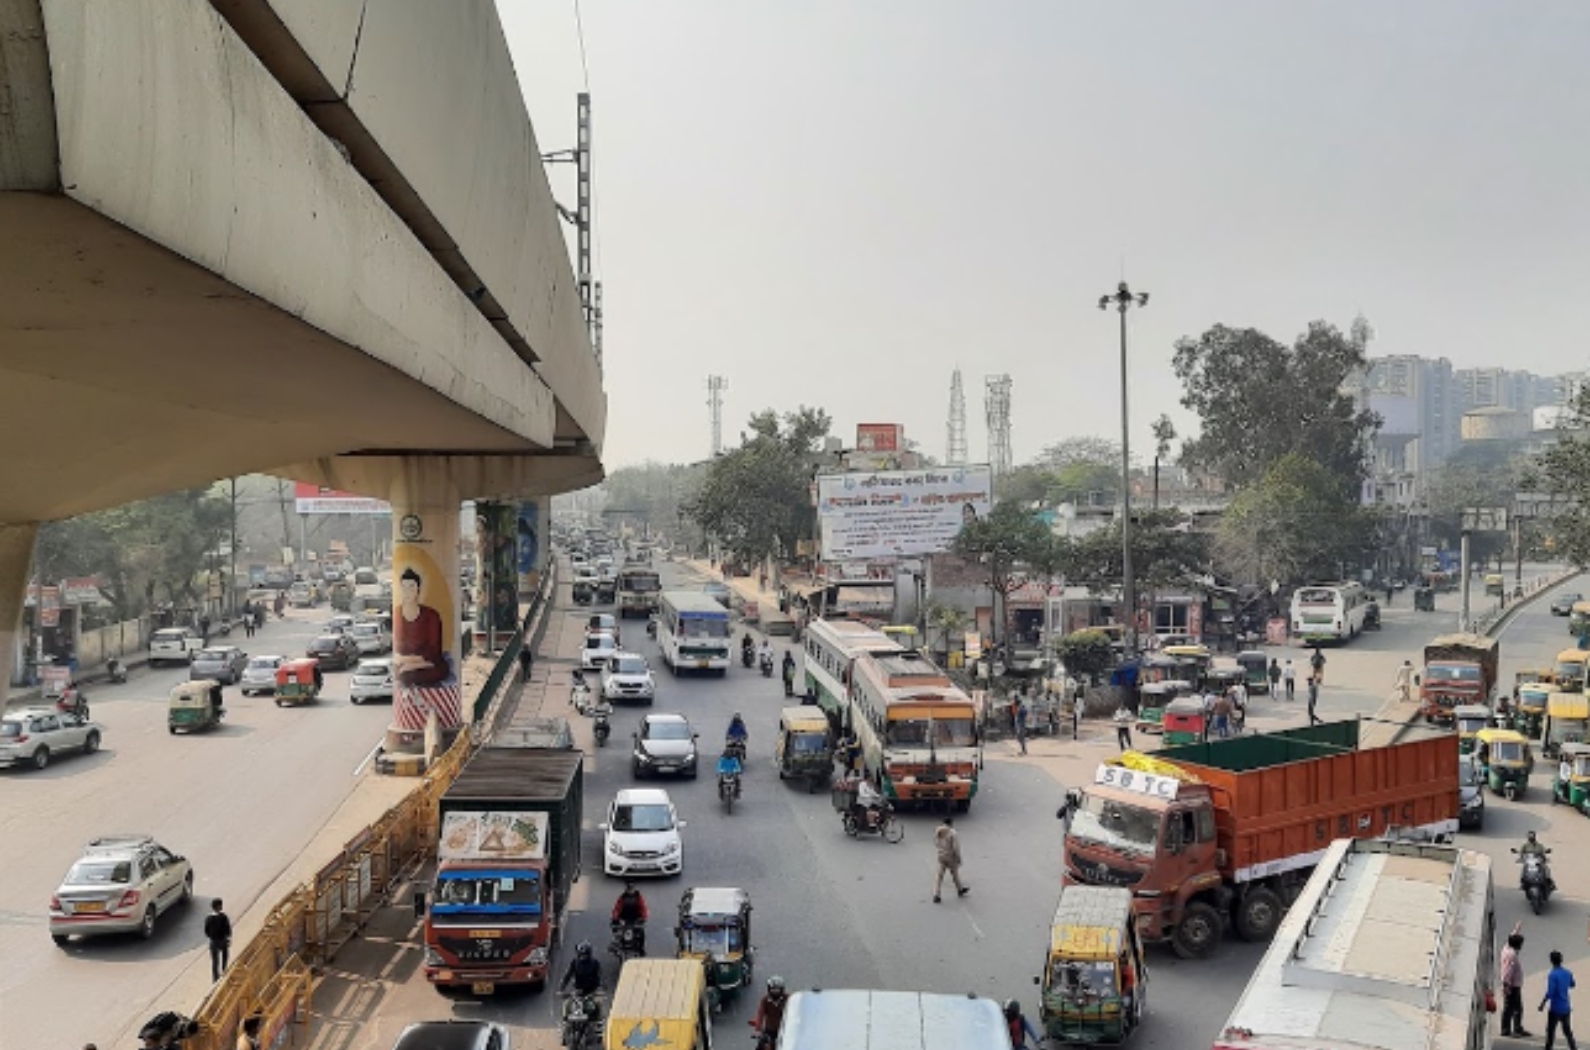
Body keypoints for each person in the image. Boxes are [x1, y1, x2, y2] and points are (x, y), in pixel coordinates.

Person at [393, 568, 447, 687]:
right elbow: (396, 650)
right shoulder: (396, 614)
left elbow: (434, 651)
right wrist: (407, 663)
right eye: (404, 587)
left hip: (431, 666)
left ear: (419, 589)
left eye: (411, 586)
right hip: (407, 667)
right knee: (402, 676)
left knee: (410, 675)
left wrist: (410, 665)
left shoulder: (431, 615)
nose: (407, 591)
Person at [1542, 949, 1578, 1050]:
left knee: (1550, 1031)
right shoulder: (1567, 973)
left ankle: (1548, 1048)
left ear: (1551, 961)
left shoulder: (1552, 975)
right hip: (1565, 1006)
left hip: (1555, 1008)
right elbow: (1572, 984)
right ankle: (1573, 1047)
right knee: (1567, 1030)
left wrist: (1543, 1003)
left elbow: (1550, 992)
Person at [1501, 921, 1530, 1038]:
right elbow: (1507, 972)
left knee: (1514, 1008)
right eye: (1521, 944)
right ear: (1517, 946)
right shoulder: (1511, 955)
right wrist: (1506, 986)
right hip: (1512, 986)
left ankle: (1515, 1028)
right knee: (1511, 1008)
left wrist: (1516, 929)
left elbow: (1511, 938)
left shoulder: (1506, 947)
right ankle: (1508, 1029)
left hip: (1512, 985)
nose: (1521, 946)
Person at [932, 816, 969, 903]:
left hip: (941, 856)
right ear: (951, 823)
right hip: (950, 857)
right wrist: (958, 858)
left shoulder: (938, 831)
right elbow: (956, 847)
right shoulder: (952, 833)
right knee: (955, 874)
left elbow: (936, 843)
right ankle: (960, 889)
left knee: (939, 876)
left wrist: (940, 850)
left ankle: (936, 894)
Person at [610, 882, 649, 956]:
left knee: (641, 933)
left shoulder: (638, 897)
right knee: (617, 933)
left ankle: (641, 949)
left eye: (631, 889)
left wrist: (643, 918)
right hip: (624, 920)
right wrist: (615, 918)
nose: (630, 891)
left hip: (635, 920)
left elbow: (643, 908)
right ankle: (615, 947)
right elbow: (617, 908)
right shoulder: (622, 897)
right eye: (629, 889)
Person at [753, 976, 789, 1048]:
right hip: (770, 1031)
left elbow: (795, 1012)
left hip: (786, 1031)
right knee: (761, 1045)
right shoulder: (765, 1000)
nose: (775, 992)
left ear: (782, 989)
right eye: (773, 989)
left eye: (777, 990)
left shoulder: (788, 999)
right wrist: (758, 1028)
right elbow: (760, 1014)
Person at [204, 899, 232, 981]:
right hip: (222, 940)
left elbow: (206, 931)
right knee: (225, 956)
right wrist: (228, 937)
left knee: (215, 961)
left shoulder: (208, 918)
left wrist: (212, 937)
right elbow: (228, 929)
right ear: (219, 906)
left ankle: (215, 978)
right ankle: (224, 971)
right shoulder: (223, 917)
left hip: (213, 942)